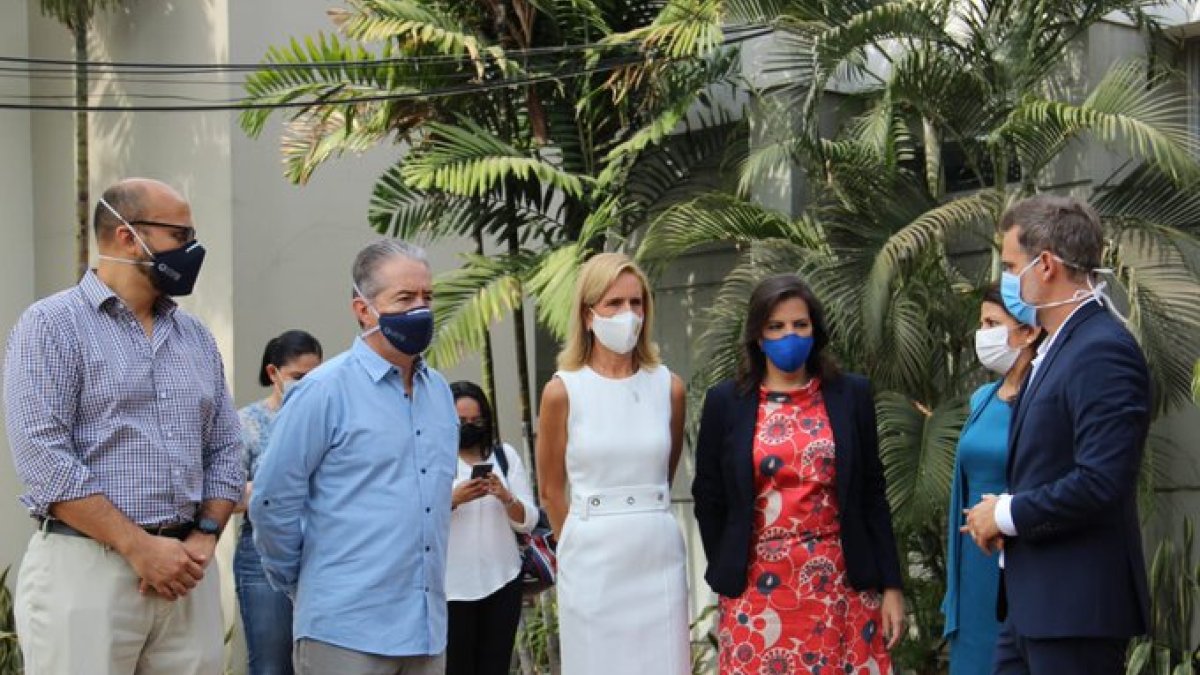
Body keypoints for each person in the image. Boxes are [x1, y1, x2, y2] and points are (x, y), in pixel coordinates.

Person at [4, 178, 243, 674]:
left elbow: (225, 447)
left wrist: (203, 537)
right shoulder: (51, 324)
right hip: (87, 567)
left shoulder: (195, 336)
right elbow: (42, 456)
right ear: (127, 236)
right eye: (181, 235)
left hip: (186, 573)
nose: (192, 249)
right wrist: (138, 546)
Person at [249, 239, 458, 675]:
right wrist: (302, 581)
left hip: (425, 628)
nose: (420, 308)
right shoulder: (322, 391)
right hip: (344, 628)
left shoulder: (439, 393)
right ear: (363, 309)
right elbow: (272, 498)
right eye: (404, 298)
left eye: (427, 297)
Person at [963, 195, 1150, 675]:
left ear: (1045, 264)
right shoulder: (1057, 345)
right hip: (1032, 610)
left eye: (1010, 265)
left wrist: (1006, 514)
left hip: (1075, 614)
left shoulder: (1102, 349)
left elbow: (1101, 481)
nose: (1006, 279)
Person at [692, 273, 905, 675]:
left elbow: (872, 494)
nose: (789, 335)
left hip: (841, 584)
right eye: (776, 326)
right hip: (756, 588)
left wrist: (891, 586)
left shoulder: (851, 395)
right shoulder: (726, 402)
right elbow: (709, 496)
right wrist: (727, 562)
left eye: (799, 325)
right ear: (757, 335)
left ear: (814, 330)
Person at [535, 252, 689, 675]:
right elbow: (550, 488)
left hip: (656, 551)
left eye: (636, 303)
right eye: (614, 303)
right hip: (592, 557)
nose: (628, 314)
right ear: (588, 315)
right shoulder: (562, 391)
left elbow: (663, 468)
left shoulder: (669, 387)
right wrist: (577, 546)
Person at [942, 286, 1042, 675]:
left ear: (1029, 332)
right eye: (981, 322)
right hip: (972, 567)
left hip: (1017, 560)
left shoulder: (1043, 398)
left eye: (992, 324)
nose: (982, 333)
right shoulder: (981, 398)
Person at [234, 330, 323, 675]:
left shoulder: (324, 417)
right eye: (298, 377)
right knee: (271, 661)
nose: (307, 385)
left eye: (314, 376)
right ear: (274, 373)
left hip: (318, 546)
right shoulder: (247, 423)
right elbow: (226, 494)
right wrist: (275, 490)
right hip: (261, 549)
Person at [445, 381, 538, 675]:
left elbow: (529, 519)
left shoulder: (504, 457)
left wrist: (505, 496)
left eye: (476, 421)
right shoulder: (432, 459)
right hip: (450, 588)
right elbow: (412, 516)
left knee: (495, 666)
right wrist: (454, 499)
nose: (469, 427)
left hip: (502, 581)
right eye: (461, 422)